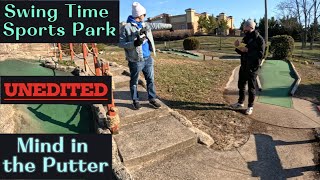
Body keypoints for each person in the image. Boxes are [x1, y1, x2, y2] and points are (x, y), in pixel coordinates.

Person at [119, 2, 174, 110]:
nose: (145, 16)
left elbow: (156, 25)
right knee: (134, 81)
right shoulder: (126, 27)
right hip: (135, 60)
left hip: (148, 58)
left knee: (150, 80)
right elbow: (120, 43)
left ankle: (152, 99)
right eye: (144, 14)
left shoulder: (145, 24)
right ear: (139, 15)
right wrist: (134, 44)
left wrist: (170, 26)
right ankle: (135, 100)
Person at [231, 19, 265, 115]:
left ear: (251, 27)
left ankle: (250, 106)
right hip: (244, 65)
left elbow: (261, 54)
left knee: (251, 88)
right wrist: (237, 47)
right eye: (243, 28)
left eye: (245, 28)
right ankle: (240, 102)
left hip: (253, 67)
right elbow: (241, 51)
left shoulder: (260, 39)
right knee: (241, 84)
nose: (243, 30)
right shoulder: (245, 38)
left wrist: (248, 50)